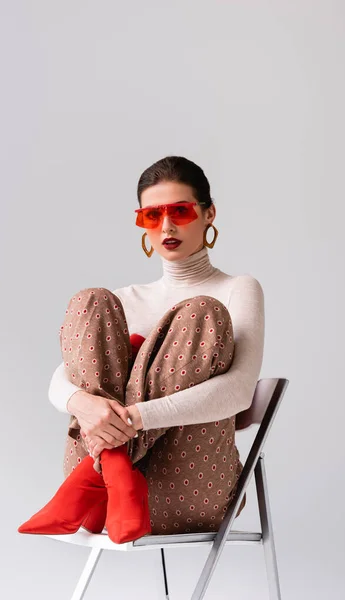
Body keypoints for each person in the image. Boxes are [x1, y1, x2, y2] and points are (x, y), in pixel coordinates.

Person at [18, 155, 265, 543]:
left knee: (201, 312)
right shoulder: (124, 300)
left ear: (209, 213)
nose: (166, 226)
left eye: (180, 211)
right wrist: (83, 405)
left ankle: (99, 474)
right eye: (152, 216)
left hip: (186, 487)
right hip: (107, 499)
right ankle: (114, 474)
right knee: (91, 300)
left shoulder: (237, 289)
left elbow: (239, 391)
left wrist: (130, 420)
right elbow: (60, 379)